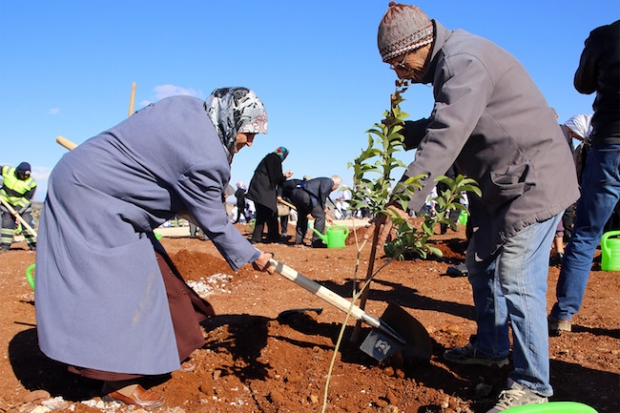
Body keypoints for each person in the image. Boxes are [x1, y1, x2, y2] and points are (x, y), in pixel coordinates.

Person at [373, 4, 579, 411]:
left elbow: (448, 134)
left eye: (399, 62)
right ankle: (490, 348)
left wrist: (402, 201)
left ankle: (533, 385)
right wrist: (403, 131)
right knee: (481, 262)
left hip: (533, 182)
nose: (399, 73)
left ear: (420, 44)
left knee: (517, 277)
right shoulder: (450, 64)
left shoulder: (462, 60)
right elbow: (448, 119)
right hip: (502, 186)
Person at [34, 87, 275, 409]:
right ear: (231, 120)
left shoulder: (187, 107)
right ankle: (118, 378)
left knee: (160, 275)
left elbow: (176, 169)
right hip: (92, 201)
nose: (249, 142)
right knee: (120, 284)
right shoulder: (205, 155)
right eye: (248, 132)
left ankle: (170, 349)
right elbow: (214, 222)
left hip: (103, 190)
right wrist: (254, 255)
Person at [549, 20, 620, 334]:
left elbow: (582, 84)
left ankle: (564, 314)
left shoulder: (605, 36)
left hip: (609, 146)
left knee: (587, 232)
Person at [550, 114, 592, 266]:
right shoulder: (565, 133)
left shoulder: (559, 131)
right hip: (563, 180)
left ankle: (561, 251)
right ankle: (560, 250)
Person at [246, 147, 293, 244]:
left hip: (258, 189)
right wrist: (285, 177)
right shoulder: (274, 159)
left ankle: (263, 237)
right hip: (264, 190)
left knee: (265, 213)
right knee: (270, 212)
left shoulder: (269, 158)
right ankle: (270, 237)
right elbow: (276, 178)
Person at [289, 176, 341, 248]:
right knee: (320, 216)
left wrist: (324, 213)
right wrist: (323, 210)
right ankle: (317, 242)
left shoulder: (320, 181)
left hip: (296, 194)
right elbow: (322, 194)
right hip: (305, 196)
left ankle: (298, 241)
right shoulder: (329, 182)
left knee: (302, 216)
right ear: (336, 185)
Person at [0, 162, 37, 253]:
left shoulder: (31, 183)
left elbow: (27, 198)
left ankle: (34, 245)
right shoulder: (8, 171)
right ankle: (5, 246)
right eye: (22, 174)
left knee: (27, 224)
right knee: (7, 225)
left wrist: (18, 209)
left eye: (26, 175)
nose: (24, 176)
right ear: (17, 171)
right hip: (6, 202)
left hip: (22, 205)